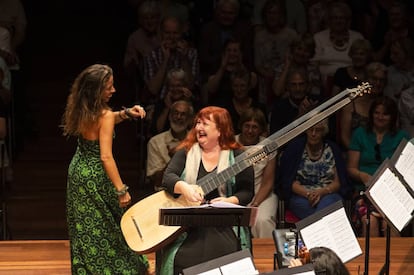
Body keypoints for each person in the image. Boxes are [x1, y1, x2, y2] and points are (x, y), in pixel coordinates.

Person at [61, 64, 149, 274]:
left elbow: (105, 122)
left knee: (85, 227)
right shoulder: (105, 114)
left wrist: (126, 114)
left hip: (78, 173)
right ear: (97, 90)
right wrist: (121, 189)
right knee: (111, 224)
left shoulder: (82, 108)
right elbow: (106, 156)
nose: (113, 90)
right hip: (96, 175)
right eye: (109, 87)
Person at [159, 106, 254, 274]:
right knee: (182, 257)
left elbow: (247, 191)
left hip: (224, 224)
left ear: (220, 129)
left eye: (205, 124)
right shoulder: (186, 152)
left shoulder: (238, 154)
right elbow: (168, 178)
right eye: (197, 123)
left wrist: (229, 201)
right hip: (188, 226)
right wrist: (185, 188)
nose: (198, 128)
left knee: (226, 254)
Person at [347, 96, 410, 237]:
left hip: (392, 192)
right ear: (371, 114)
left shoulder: (402, 136)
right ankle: (372, 259)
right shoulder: (360, 134)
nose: (380, 117)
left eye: (385, 114)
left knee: (390, 224)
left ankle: (394, 259)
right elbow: (351, 169)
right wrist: (362, 176)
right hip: (364, 192)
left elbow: (406, 171)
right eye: (377, 113)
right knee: (370, 221)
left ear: (392, 117)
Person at [277, 119, 351, 220]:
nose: (313, 134)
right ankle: (321, 228)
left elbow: (338, 183)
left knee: (329, 204)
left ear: (324, 132)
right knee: (324, 215)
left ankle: (314, 229)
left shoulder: (332, 149)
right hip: (301, 196)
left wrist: (321, 192)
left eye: (318, 130)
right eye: (310, 130)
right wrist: (308, 194)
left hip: (328, 194)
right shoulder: (295, 148)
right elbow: (289, 182)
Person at [235, 107, 277, 238]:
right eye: (247, 126)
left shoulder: (268, 145)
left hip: (262, 195)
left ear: (261, 129)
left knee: (262, 220)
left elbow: (268, 182)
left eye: (255, 127)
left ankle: (267, 257)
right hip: (236, 195)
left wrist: (255, 204)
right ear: (241, 126)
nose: (250, 131)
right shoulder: (230, 144)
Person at [146, 100, 194, 191]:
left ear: (190, 119)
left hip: (193, 192)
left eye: (183, 114)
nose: (178, 117)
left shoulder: (196, 141)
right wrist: (175, 158)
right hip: (163, 193)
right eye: (175, 113)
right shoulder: (155, 142)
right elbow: (156, 180)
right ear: (169, 116)